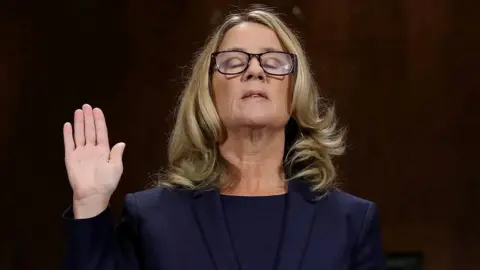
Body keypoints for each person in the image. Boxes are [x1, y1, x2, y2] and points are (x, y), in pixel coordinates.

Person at [62, 6, 386, 270]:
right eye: (233, 62)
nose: (255, 71)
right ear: (209, 92)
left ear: (295, 92)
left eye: (274, 62)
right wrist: (90, 204)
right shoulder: (152, 218)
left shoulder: (350, 222)